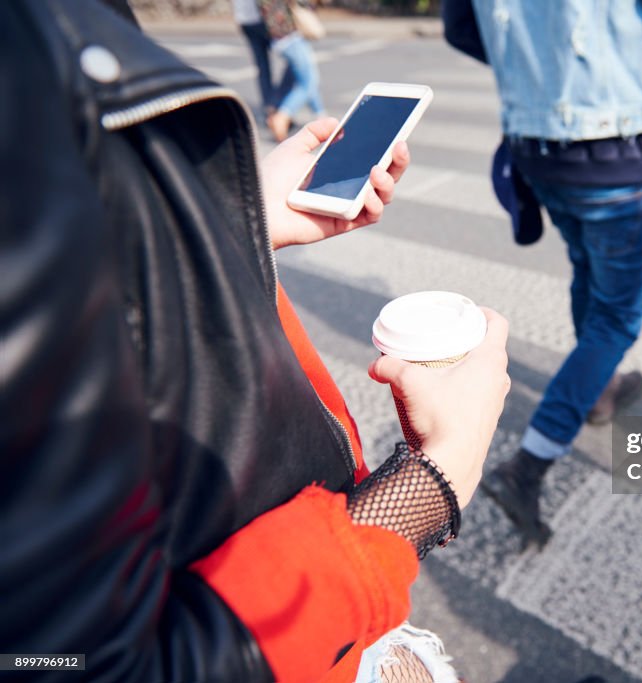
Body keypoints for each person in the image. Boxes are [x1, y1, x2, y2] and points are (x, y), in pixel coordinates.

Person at [1, 1, 511, 681]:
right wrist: (431, 481)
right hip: (303, 624)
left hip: (298, 581)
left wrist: (227, 229)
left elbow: (105, 275)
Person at [444, 0, 642, 547]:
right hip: (615, 145)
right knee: (616, 318)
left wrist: (537, 72)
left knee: (587, 266)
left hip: (535, 147)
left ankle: (599, 387)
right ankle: (527, 467)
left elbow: (461, 26)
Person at [259, 0, 326, 141]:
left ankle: (321, 116)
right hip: (290, 36)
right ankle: (282, 116)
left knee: (304, 79)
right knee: (308, 82)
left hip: (278, 35)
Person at [234, 0, 294, 119]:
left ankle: (270, 107)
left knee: (263, 67)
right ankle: (276, 105)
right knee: (294, 63)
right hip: (265, 20)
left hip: (245, 19)